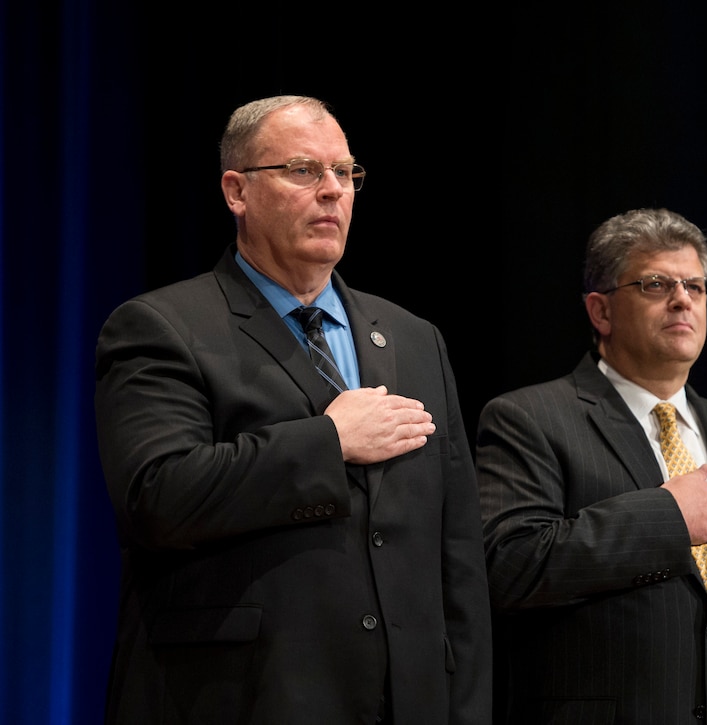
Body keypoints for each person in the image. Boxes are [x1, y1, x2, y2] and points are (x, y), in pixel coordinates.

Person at [94, 95, 492, 724]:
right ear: (236, 191)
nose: (333, 191)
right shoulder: (161, 326)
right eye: (304, 171)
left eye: (346, 172)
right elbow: (157, 498)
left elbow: (458, 553)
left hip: (408, 700)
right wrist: (327, 443)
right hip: (244, 698)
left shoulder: (415, 338)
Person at [475, 207, 707, 724]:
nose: (682, 299)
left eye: (695, 285)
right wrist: (668, 520)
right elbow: (508, 568)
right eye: (654, 285)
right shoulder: (528, 419)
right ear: (600, 311)